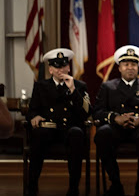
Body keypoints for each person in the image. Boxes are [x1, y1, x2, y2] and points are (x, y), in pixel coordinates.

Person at [94, 45, 139, 196]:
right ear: (119, 68)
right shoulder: (108, 86)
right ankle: (115, 183)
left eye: (133, 64)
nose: (130, 67)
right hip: (116, 129)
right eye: (126, 64)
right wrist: (114, 118)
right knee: (102, 133)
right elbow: (97, 112)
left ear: (138, 67)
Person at [26, 48, 92, 196]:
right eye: (56, 66)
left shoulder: (80, 86)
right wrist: (34, 117)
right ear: (50, 69)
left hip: (70, 131)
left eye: (63, 66)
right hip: (48, 131)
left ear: (68, 67)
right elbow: (32, 111)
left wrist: (73, 90)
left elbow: (87, 112)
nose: (60, 69)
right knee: (38, 134)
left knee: (76, 134)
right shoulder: (41, 86)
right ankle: (32, 186)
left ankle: (73, 187)